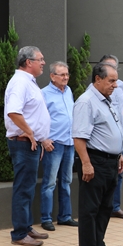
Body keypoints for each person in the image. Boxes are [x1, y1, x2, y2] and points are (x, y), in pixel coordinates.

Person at [73, 62, 123, 246]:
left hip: (111, 162)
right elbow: (79, 137)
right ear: (97, 79)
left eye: (116, 80)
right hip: (95, 161)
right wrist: (86, 164)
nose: (115, 85)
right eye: (111, 81)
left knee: (105, 208)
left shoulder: (106, 100)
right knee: (90, 209)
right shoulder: (86, 102)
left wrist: (119, 154)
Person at [4, 46, 53, 246]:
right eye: (40, 59)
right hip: (23, 145)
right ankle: (19, 234)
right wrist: (31, 133)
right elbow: (13, 112)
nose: (43, 63)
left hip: (31, 146)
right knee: (23, 189)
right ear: (28, 62)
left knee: (28, 188)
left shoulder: (28, 82)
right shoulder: (19, 83)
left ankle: (26, 227)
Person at [39, 61, 78, 231]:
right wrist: (43, 139)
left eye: (67, 74)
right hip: (54, 144)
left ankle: (65, 216)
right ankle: (46, 218)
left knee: (66, 181)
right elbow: (37, 118)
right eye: (62, 75)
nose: (65, 78)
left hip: (69, 142)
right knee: (49, 183)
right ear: (52, 76)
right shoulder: (44, 94)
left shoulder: (68, 91)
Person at [99, 54, 123, 219]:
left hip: (119, 135)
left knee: (119, 172)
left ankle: (115, 207)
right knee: (104, 174)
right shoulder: (95, 90)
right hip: (104, 138)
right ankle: (104, 207)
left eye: (114, 67)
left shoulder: (122, 86)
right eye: (108, 67)